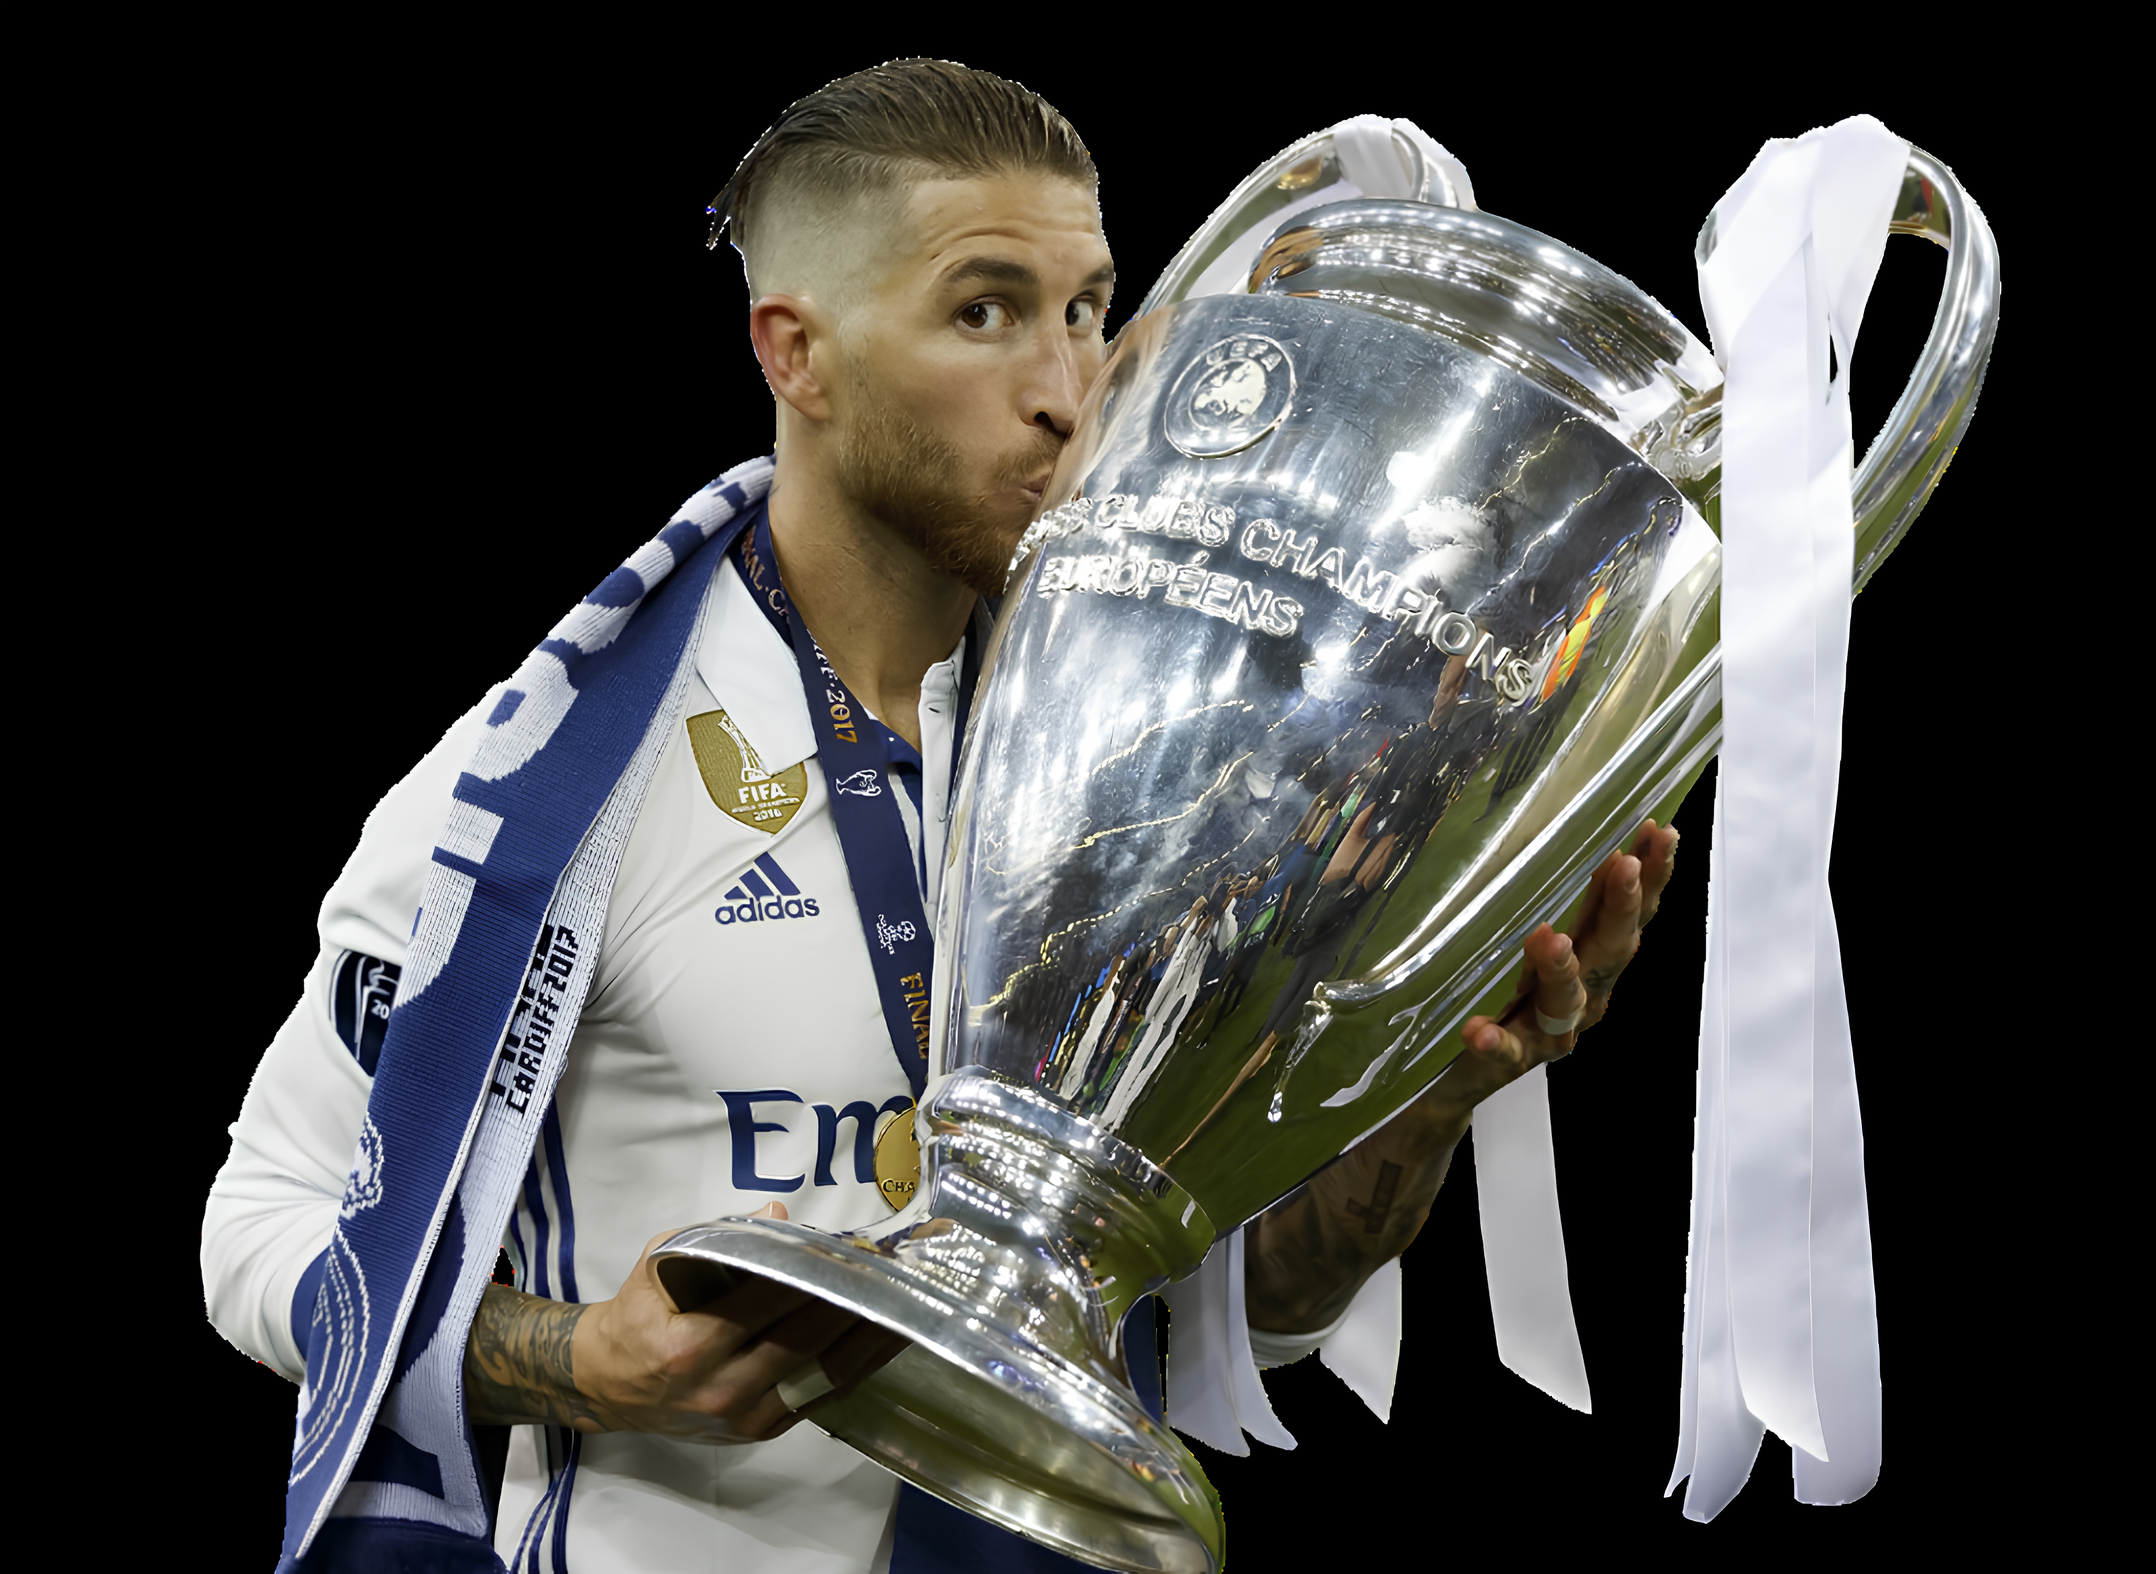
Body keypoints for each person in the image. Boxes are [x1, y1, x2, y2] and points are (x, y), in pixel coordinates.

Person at [201, 60, 1679, 1572]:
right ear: (798, 354)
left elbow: (1250, 1318)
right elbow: (259, 1226)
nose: (1071, 389)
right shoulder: (551, 791)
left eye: (1088, 310)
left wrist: (1423, 1098)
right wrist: (579, 1362)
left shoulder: (1172, 767)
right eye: (985, 312)